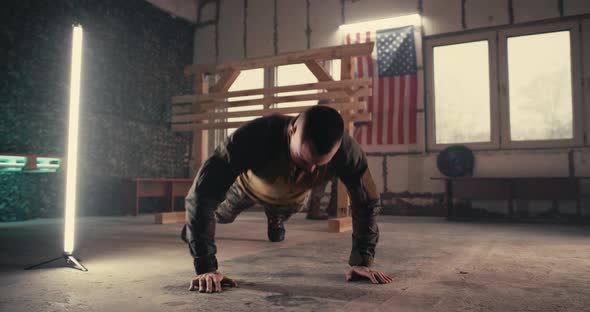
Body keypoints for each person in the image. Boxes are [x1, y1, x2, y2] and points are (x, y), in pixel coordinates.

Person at [181, 106, 392, 293]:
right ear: (292, 131)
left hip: (293, 199)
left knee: (286, 209)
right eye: (304, 159)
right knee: (221, 215)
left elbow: (366, 201)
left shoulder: (347, 151)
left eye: (319, 165)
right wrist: (206, 266)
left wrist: (362, 261)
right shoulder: (254, 135)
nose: (310, 170)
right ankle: (193, 230)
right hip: (249, 189)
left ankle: (275, 216)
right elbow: (202, 193)